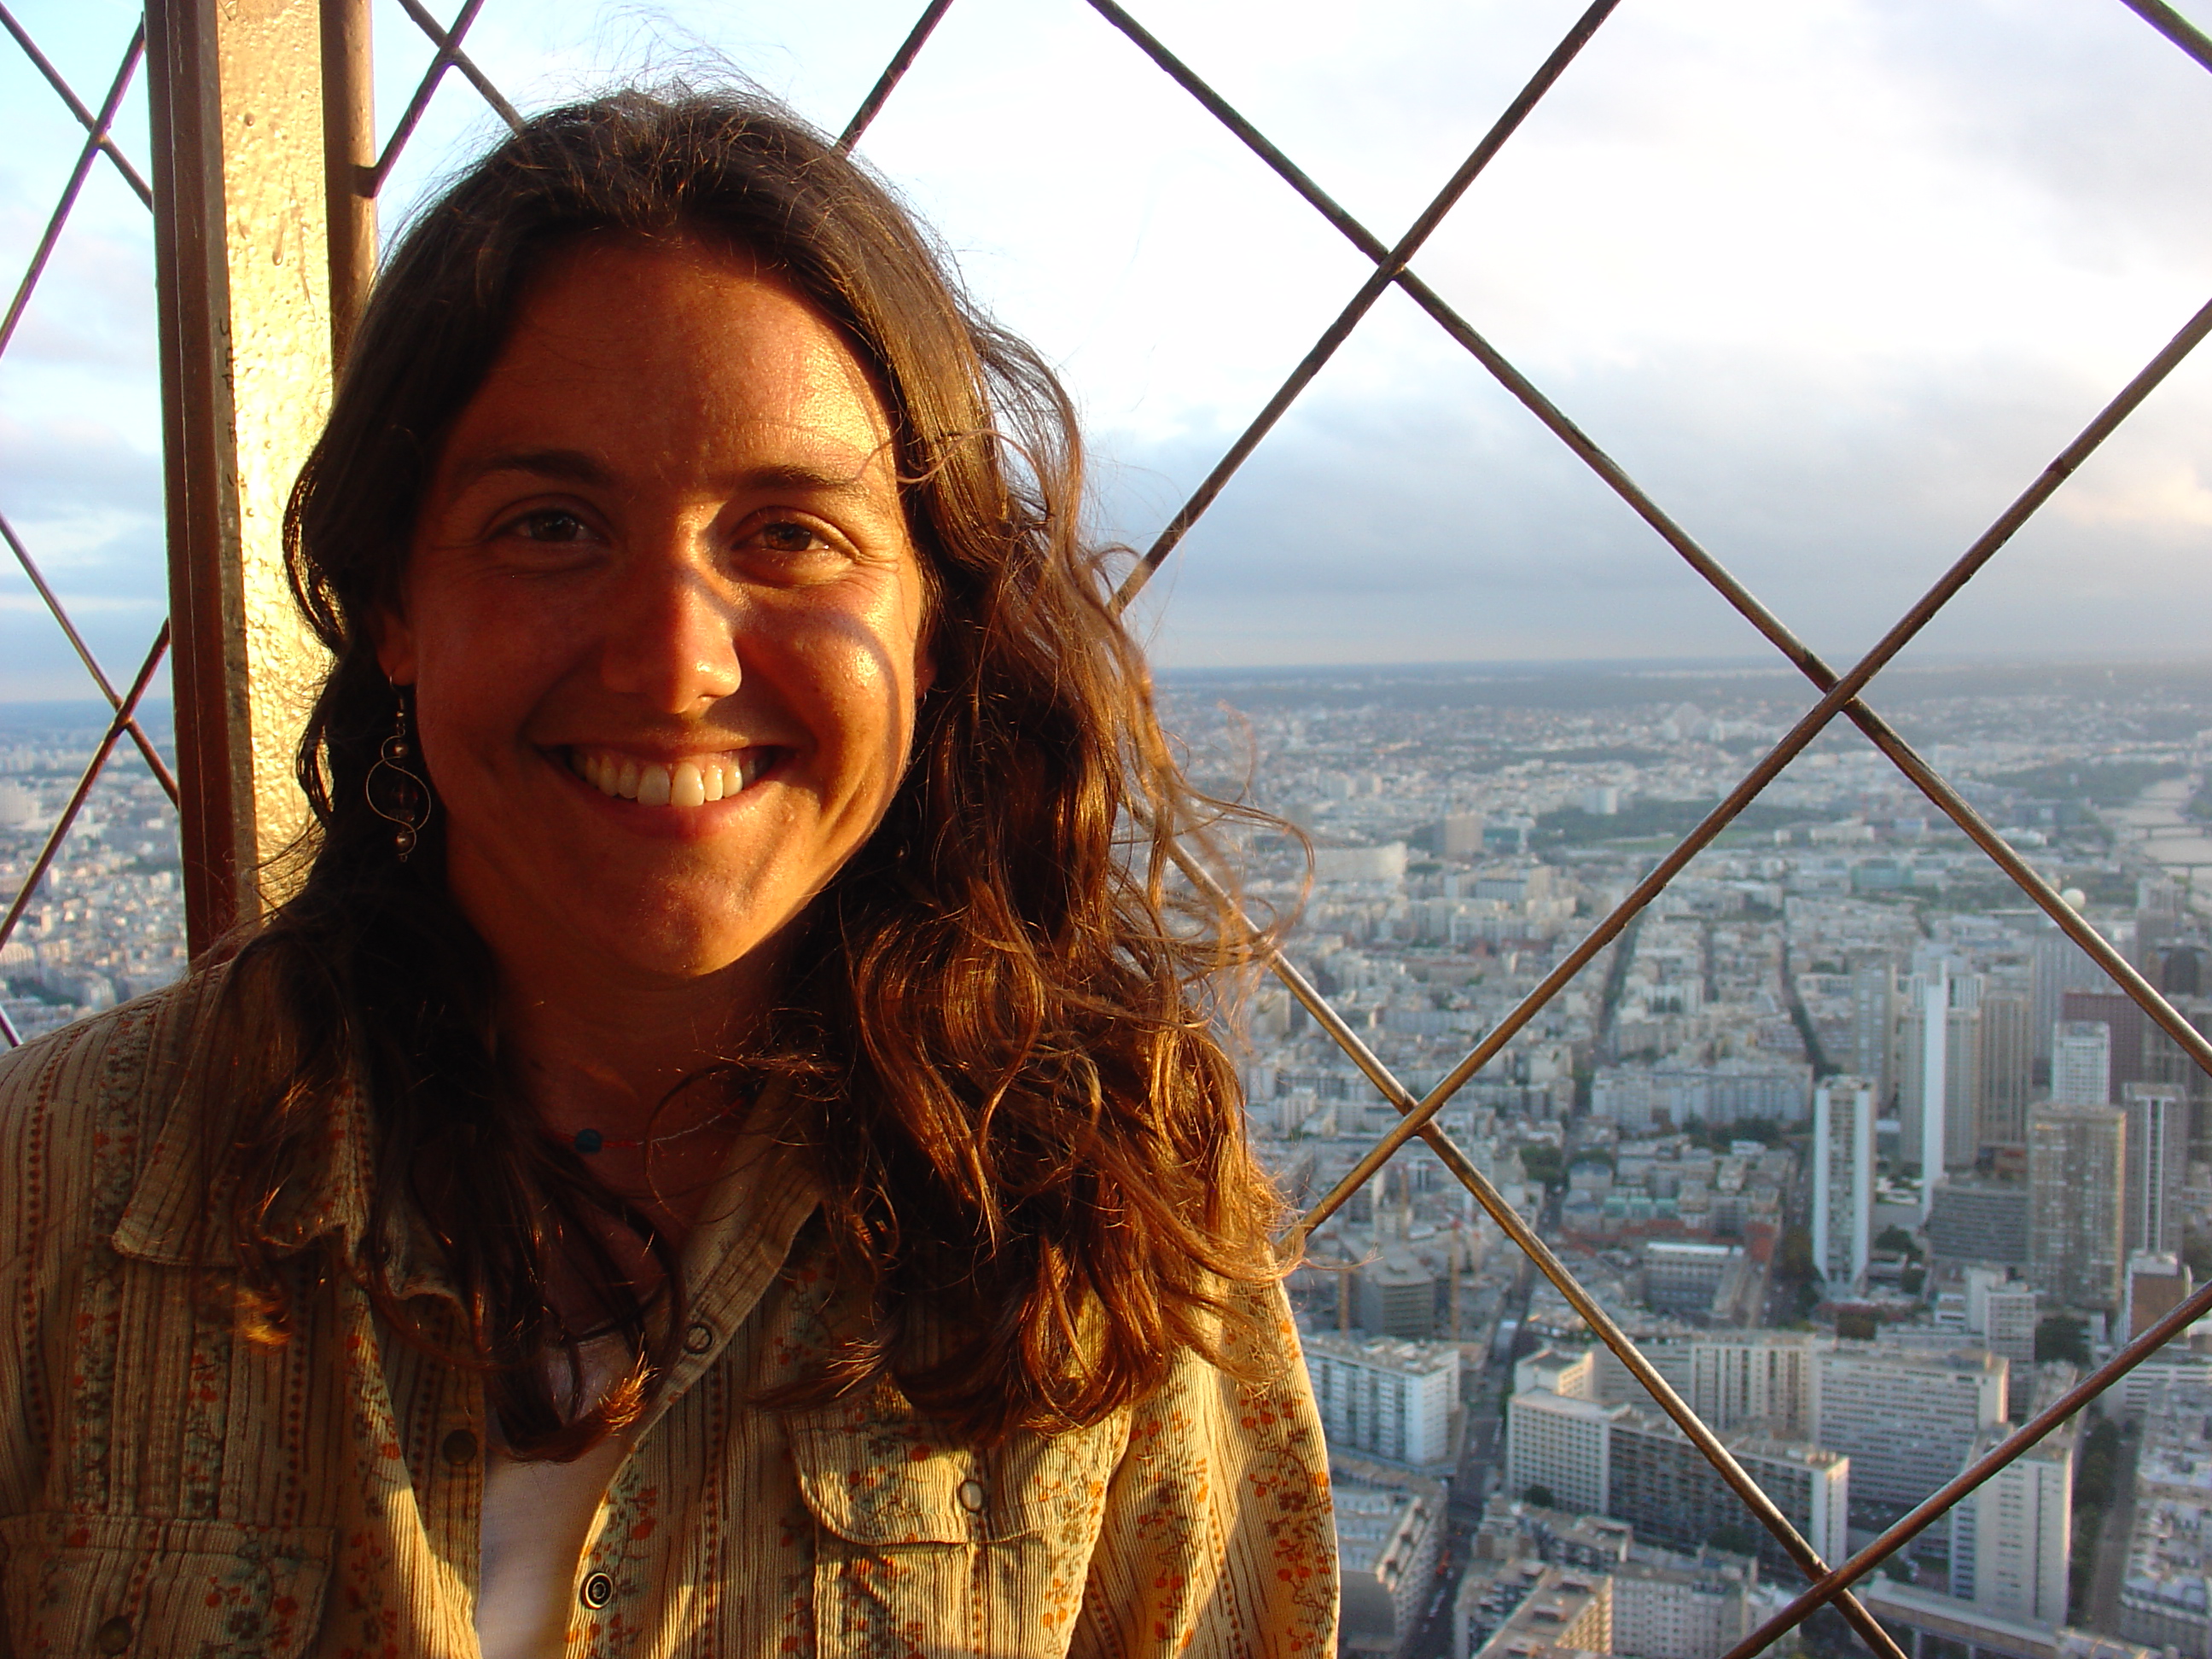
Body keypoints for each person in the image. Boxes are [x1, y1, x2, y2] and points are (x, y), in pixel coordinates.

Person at [0, 90, 1337, 1656]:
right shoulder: (60, 1187)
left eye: (790, 534)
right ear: (396, 607)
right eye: (550, 526)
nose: (674, 659)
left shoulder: (1110, 1218)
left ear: (931, 621)